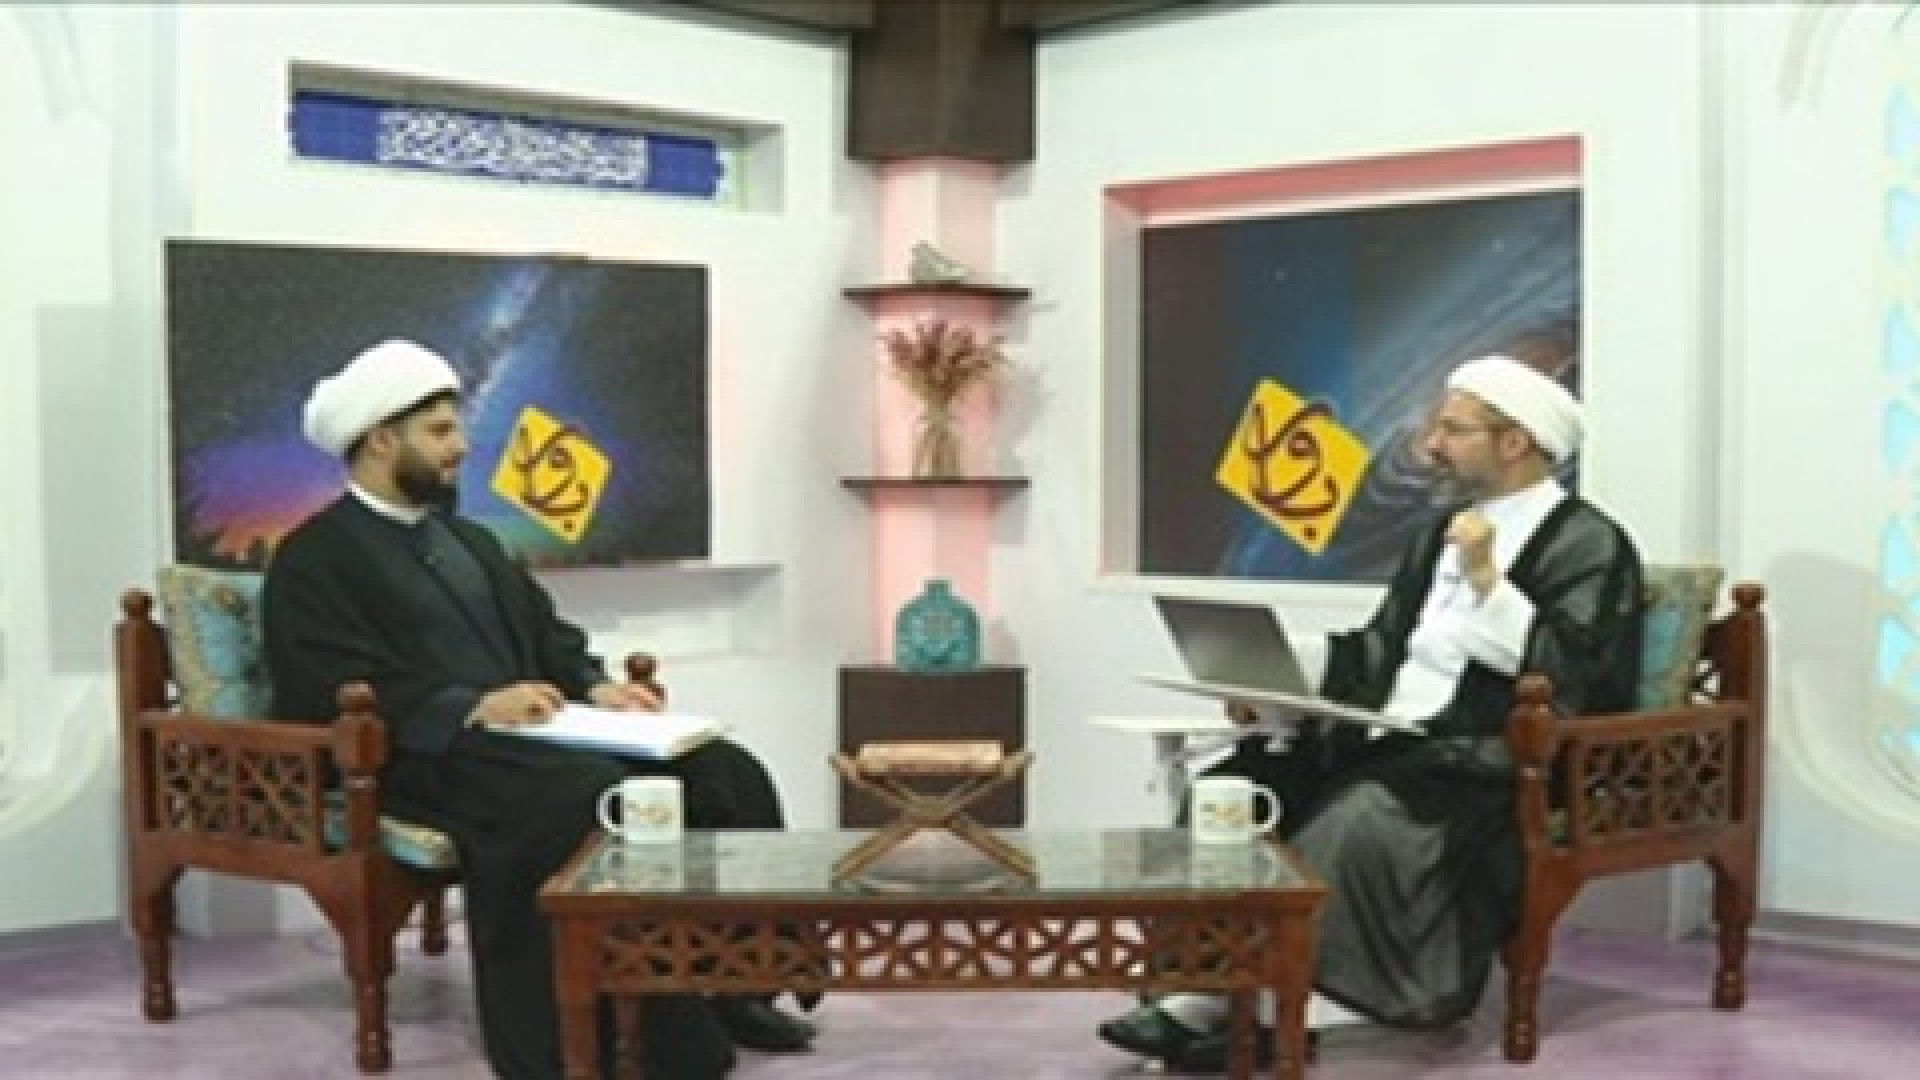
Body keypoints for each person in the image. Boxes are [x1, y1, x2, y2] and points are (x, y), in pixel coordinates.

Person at [262, 339, 816, 1080]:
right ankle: (591, 1037)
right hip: (416, 756)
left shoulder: (470, 540)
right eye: (440, 431)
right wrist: (469, 707)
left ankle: (739, 990)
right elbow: (325, 686)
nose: (461, 447)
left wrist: (593, 686)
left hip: (527, 740)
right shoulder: (312, 558)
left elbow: (548, 635)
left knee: (724, 771)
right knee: (578, 796)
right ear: (381, 440)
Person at [1097, 354, 1644, 1071]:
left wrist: (1488, 581)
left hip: (1486, 755)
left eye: (1453, 430)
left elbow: (1578, 676)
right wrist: (1272, 672)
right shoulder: (1440, 532)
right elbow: (1381, 646)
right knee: (1226, 793)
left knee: (1359, 821)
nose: (1431, 446)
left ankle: (1267, 1012)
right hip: (1389, 735)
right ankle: (1198, 990)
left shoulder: (1590, 544)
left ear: (1515, 443)